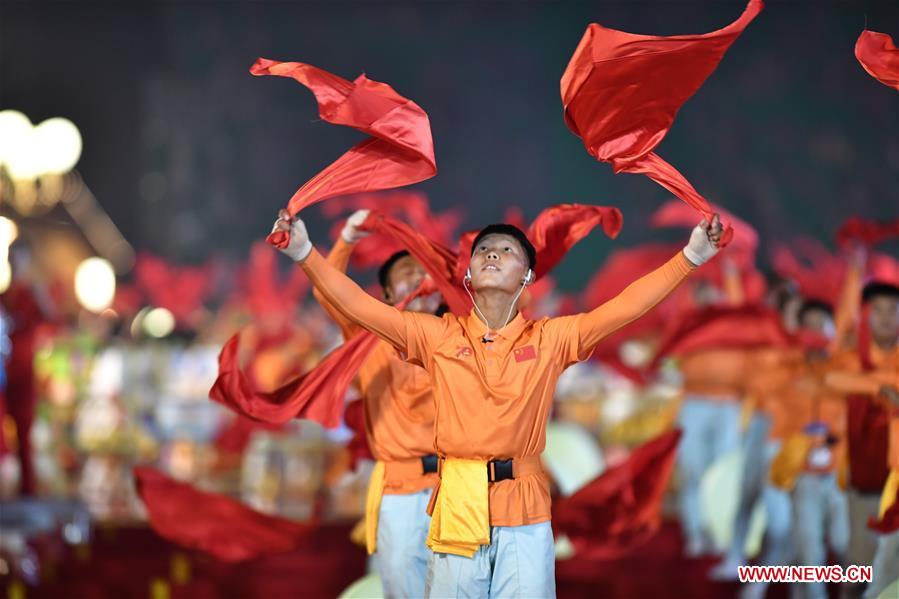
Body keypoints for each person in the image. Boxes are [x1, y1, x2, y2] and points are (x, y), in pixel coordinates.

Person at [271, 209, 723, 597]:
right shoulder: (436, 336)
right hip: (455, 501)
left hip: (523, 505)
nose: (493, 253)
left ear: (526, 276)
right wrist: (304, 253)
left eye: (508, 251)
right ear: (467, 277)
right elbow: (356, 305)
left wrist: (691, 258)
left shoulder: (552, 339)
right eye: (484, 249)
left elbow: (625, 308)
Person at [311, 210, 442, 598]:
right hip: (400, 490)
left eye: (425, 271)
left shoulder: (461, 336)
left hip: (457, 488)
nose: (419, 278)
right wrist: (348, 237)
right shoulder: (367, 336)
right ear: (385, 295)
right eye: (406, 271)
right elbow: (328, 289)